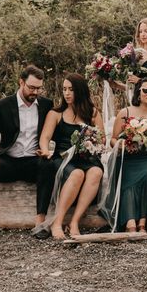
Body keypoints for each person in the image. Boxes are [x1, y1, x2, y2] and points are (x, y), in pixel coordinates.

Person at [0, 65, 53, 245]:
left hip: (34, 161)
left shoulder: (46, 105)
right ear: (21, 82)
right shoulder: (2, 105)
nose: (35, 92)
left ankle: (40, 222)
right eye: (31, 87)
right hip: (9, 160)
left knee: (49, 165)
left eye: (38, 88)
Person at [38, 73, 105, 240]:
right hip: (63, 158)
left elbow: (102, 138)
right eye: (64, 89)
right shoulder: (56, 113)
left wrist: (94, 142)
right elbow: (45, 137)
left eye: (71, 90)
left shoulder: (93, 113)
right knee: (77, 173)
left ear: (80, 91)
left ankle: (74, 222)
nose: (67, 93)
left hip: (87, 157)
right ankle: (57, 222)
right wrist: (45, 150)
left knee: (96, 172)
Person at [101, 78, 147, 232]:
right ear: (138, 92)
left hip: (146, 158)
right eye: (145, 90)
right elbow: (113, 140)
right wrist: (122, 144)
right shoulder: (126, 112)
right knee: (126, 180)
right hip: (126, 158)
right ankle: (130, 223)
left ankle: (142, 223)